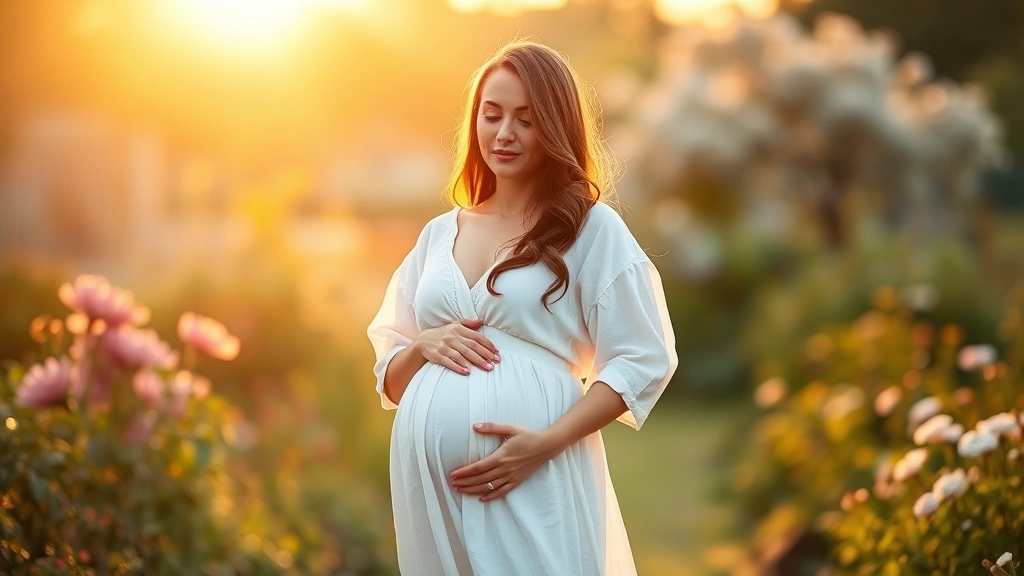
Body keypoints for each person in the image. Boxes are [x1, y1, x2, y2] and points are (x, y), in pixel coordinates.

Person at [366, 38, 678, 575]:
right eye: (492, 115)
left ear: (555, 128)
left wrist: (544, 444)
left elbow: (643, 357)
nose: (504, 133)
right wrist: (422, 345)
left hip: (533, 470)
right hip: (429, 492)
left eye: (525, 119)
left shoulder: (589, 228)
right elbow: (391, 382)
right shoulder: (439, 235)